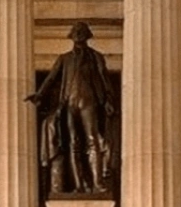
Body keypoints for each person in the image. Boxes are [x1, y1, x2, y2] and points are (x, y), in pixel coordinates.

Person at [26, 22, 117, 195]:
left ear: (87, 35)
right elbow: (51, 79)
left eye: (81, 32)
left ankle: (97, 184)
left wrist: (108, 100)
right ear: (72, 36)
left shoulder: (96, 56)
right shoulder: (64, 59)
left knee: (93, 140)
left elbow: (104, 80)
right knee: (73, 143)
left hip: (89, 101)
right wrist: (40, 95)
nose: (78, 34)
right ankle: (79, 184)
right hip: (69, 103)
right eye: (75, 32)